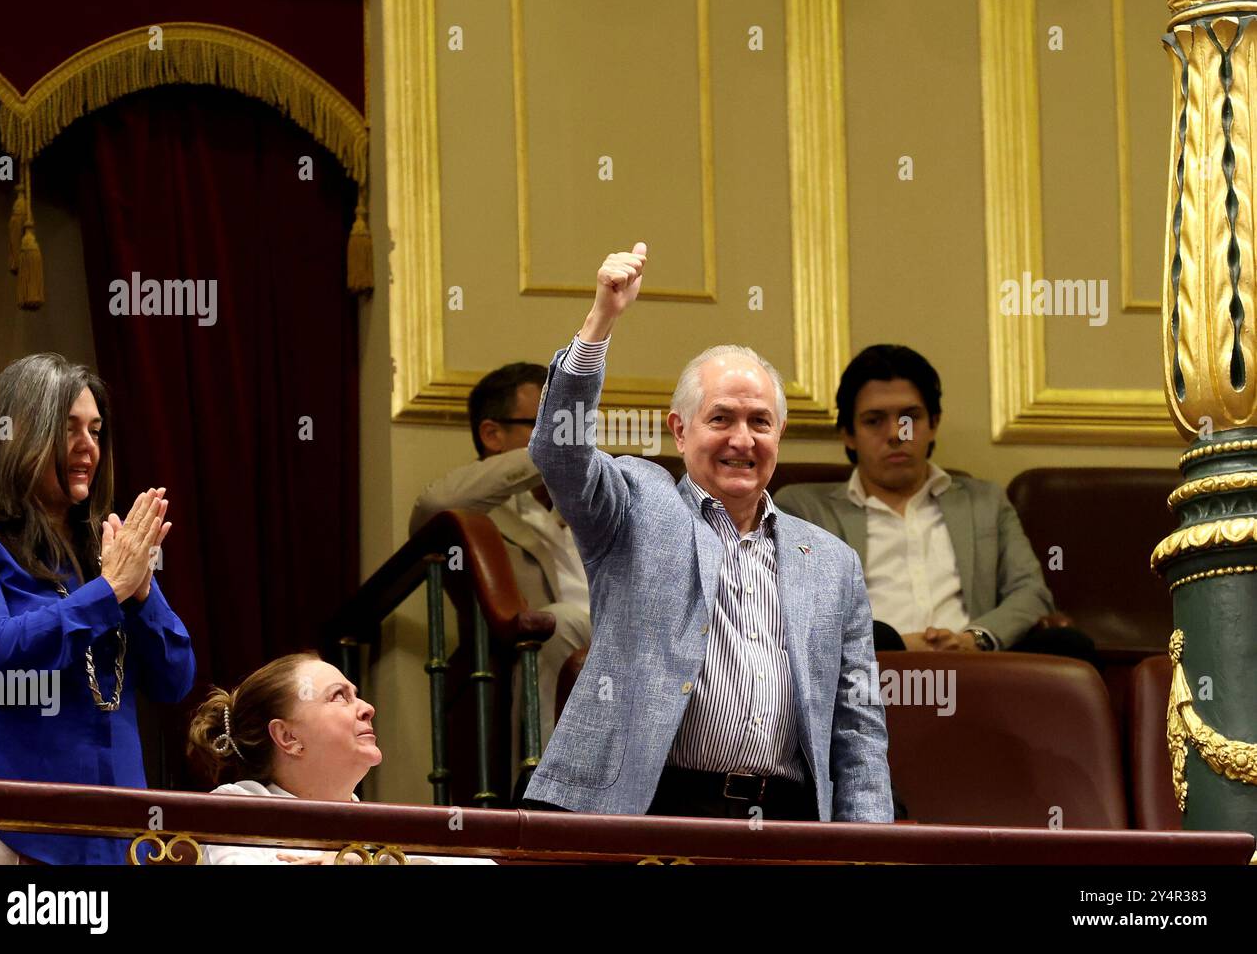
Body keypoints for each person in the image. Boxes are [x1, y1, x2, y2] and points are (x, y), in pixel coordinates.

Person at [520, 243, 892, 822]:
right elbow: (559, 453)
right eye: (721, 418)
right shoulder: (634, 506)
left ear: (780, 434)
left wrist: (867, 845)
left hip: (786, 819)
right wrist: (600, 322)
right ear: (680, 431)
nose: (742, 440)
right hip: (650, 808)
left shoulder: (832, 561)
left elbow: (859, 723)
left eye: (759, 422)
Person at [0, 353, 195, 864]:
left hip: (118, 834)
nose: (88, 446)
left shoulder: (107, 544)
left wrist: (140, 593)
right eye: (68, 429)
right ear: (15, 435)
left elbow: (176, 678)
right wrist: (108, 591)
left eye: (96, 429)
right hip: (10, 832)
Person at [776, 345, 1095, 663]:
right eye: (874, 421)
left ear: (934, 423)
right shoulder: (803, 508)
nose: (896, 435)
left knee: (1069, 645)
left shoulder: (985, 501)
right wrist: (899, 646)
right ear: (848, 434)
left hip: (976, 668)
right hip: (869, 670)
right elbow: (800, 608)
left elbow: (1031, 593)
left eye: (910, 418)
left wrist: (974, 639)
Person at [410, 363, 591, 774]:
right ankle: (546, 785)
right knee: (558, 622)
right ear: (492, 434)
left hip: (622, 638)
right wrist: (550, 452)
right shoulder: (482, 508)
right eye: (549, 421)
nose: (571, 434)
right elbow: (435, 507)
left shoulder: (591, 497)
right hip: (537, 647)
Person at [188, 652, 491, 864]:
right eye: (339, 696)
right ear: (288, 738)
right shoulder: (236, 808)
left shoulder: (378, 827)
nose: (367, 707)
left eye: (355, 694)